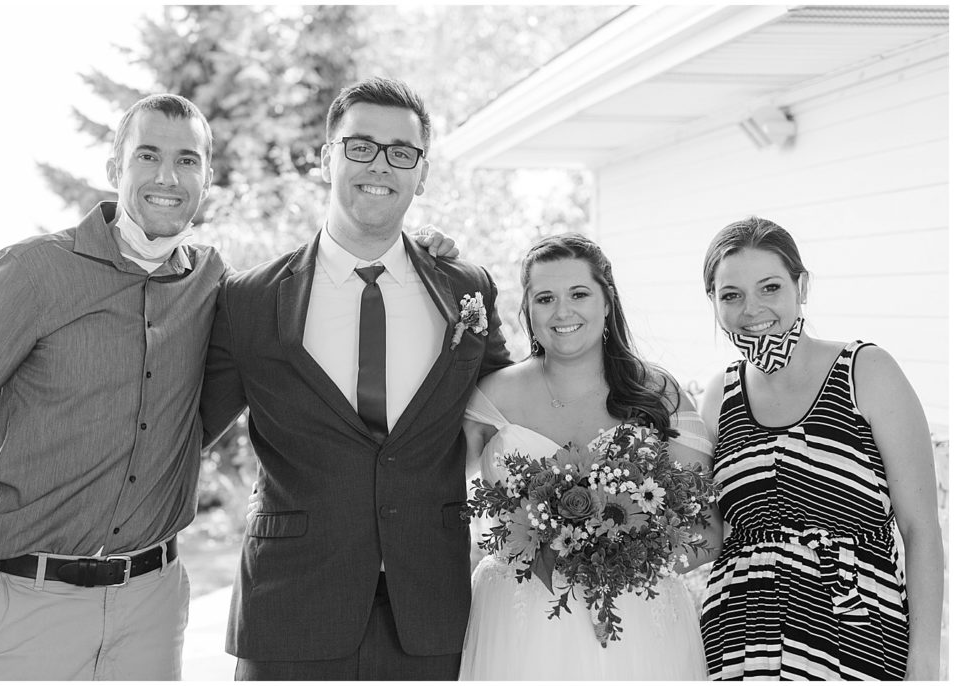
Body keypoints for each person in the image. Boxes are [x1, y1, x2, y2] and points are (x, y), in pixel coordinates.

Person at [0, 92, 455, 681]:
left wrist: (424, 254)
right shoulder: (33, 271)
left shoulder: (216, 286)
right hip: (28, 598)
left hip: (152, 606)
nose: (167, 177)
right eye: (148, 155)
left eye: (188, 161)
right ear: (115, 165)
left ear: (206, 177)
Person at [199, 76, 512, 681]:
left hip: (430, 615)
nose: (381, 165)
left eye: (403, 152)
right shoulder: (248, 301)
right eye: (360, 145)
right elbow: (182, 433)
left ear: (421, 173)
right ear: (327, 159)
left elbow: (511, 411)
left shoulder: (466, 289)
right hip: (290, 611)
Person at [459, 233, 718, 680]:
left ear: (607, 301)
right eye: (545, 298)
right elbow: (429, 491)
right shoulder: (490, 398)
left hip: (637, 626)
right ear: (528, 310)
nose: (562, 312)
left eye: (579, 293)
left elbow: (708, 530)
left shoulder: (658, 395)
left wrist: (618, 567)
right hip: (518, 625)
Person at [698, 216, 943, 680]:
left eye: (769, 287)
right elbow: (706, 535)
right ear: (713, 302)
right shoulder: (718, 396)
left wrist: (926, 662)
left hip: (857, 636)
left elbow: (921, 529)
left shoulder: (867, 371)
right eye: (732, 295)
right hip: (737, 639)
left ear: (801, 286)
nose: (752, 309)